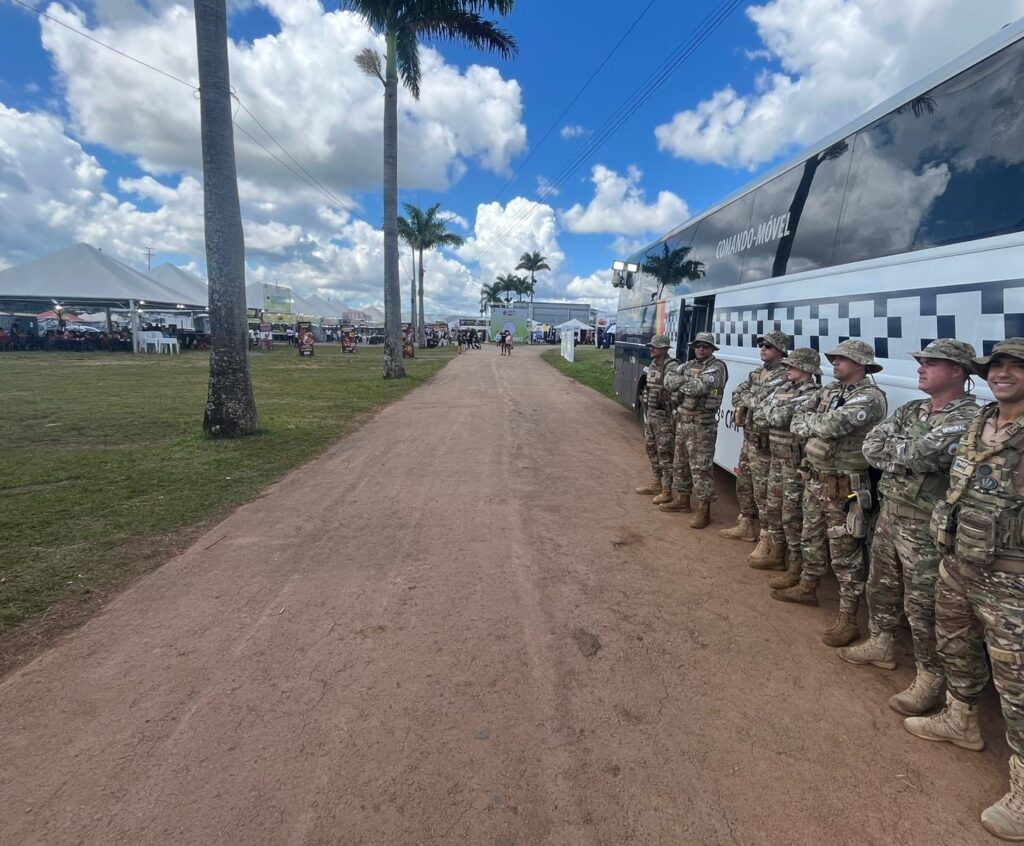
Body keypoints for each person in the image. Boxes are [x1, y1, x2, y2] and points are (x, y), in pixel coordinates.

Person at [903, 338, 1024, 841]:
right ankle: (961, 720)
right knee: (954, 646)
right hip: (958, 563)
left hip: (1012, 577)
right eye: (997, 366)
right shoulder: (980, 422)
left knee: (1017, 685)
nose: (1004, 374)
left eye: (1017, 368)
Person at [839, 340, 980, 716]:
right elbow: (872, 446)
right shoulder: (913, 408)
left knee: (922, 607)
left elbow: (925, 454)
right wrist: (905, 451)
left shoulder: (967, 417)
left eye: (931, 363)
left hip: (926, 527)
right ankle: (881, 642)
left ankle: (930, 678)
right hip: (890, 513)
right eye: (921, 362)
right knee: (880, 585)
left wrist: (901, 451)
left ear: (958, 372)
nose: (921, 368)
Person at [771, 339, 887, 647]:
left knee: (845, 552)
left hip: (845, 486)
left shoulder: (871, 397)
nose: (834, 362)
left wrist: (813, 423)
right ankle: (808, 586)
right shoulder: (830, 391)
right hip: (816, 478)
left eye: (842, 359)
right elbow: (797, 419)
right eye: (834, 358)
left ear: (861, 365)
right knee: (811, 537)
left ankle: (849, 617)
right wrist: (814, 423)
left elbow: (833, 425)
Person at [751, 348, 823, 585]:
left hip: (794, 463)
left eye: (793, 365)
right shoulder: (783, 388)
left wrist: (774, 412)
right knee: (773, 507)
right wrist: (775, 412)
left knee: (792, 515)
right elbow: (760, 415)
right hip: (776, 457)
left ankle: (795, 564)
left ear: (807, 369)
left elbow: (783, 418)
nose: (787, 368)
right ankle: (776, 553)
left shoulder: (813, 393)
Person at [721, 332, 791, 548]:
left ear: (780, 350)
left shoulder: (785, 376)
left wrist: (749, 401)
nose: (763, 348)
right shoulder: (757, 373)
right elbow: (736, 394)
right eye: (761, 344)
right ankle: (745, 524)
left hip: (766, 444)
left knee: (765, 494)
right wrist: (749, 401)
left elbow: (766, 404)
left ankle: (767, 539)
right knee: (744, 484)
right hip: (749, 439)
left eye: (768, 346)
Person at [661, 332, 729, 528]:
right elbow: (668, 381)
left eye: (705, 346)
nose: (700, 349)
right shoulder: (689, 365)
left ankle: (704, 510)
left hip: (702, 426)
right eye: (698, 345)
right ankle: (683, 501)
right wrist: (684, 382)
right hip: (682, 422)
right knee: (680, 463)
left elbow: (698, 388)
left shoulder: (717, 367)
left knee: (701, 469)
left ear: (711, 349)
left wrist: (680, 383)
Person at [635, 334, 678, 503]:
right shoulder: (653, 364)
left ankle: (667, 491)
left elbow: (673, 388)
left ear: (665, 349)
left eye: (655, 346)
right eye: (651, 346)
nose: (651, 348)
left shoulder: (672, 366)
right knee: (651, 449)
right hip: (651, 415)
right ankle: (655, 483)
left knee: (665, 453)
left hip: (664, 418)